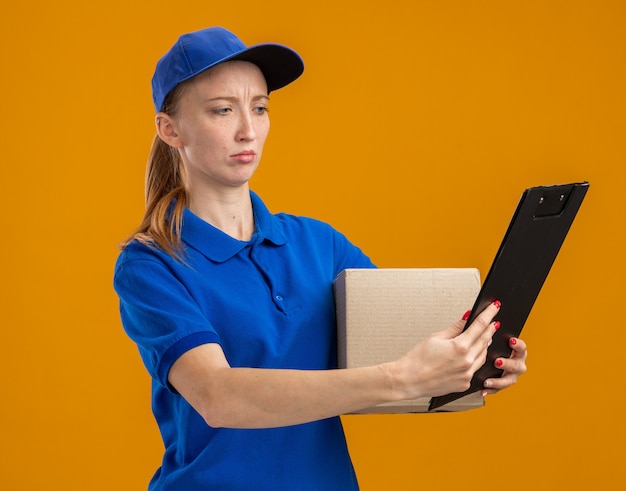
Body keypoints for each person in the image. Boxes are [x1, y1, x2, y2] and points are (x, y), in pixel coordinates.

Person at [113, 26, 527, 491]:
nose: (248, 130)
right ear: (170, 130)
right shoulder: (151, 265)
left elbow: (405, 355)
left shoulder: (320, 244)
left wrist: (473, 358)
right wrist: (401, 377)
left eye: (260, 107)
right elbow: (218, 395)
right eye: (222, 110)